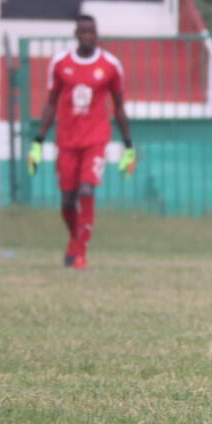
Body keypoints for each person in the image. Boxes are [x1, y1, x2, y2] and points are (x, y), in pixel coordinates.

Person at [27, 15, 135, 269]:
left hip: (96, 137)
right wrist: (38, 142)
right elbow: (50, 104)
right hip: (66, 138)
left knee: (86, 190)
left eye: (92, 32)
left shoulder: (110, 65)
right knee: (67, 200)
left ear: (97, 34)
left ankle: (80, 254)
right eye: (83, 32)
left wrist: (129, 146)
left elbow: (119, 108)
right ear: (76, 33)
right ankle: (75, 240)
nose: (88, 36)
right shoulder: (60, 63)